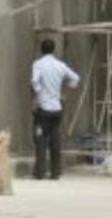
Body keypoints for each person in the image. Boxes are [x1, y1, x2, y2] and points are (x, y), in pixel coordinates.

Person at [30, 40, 80, 180]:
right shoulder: (60, 65)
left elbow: (34, 81)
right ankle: (55, 172)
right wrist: (65, 93)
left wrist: (39, 95)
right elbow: (75, 79)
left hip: (43, 110)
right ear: (53, 50)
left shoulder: (38, 64)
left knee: (40, 140)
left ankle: (40, 172)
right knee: (55, 140)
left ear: (41, 50)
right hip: (57, 109)